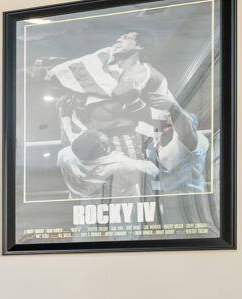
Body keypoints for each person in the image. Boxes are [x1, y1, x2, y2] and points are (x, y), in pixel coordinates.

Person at [48, 31, 208, 201]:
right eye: (119, 37)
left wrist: (136, 105)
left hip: (126, 146)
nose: (118, 39)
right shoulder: (96, 68)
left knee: (128, 197)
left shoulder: (151, 78)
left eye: (126, 38)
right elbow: (57, 78)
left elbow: (164, 120)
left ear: (139, 45)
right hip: (92, 149)